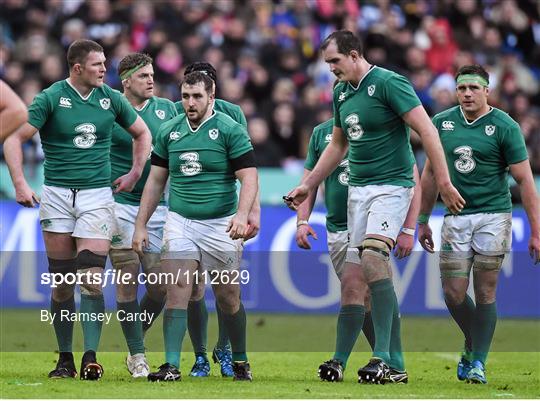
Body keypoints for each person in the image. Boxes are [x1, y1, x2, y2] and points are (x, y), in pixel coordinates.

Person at [285, 30, 464, 384]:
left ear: (354, 55)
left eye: (335, 61)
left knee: (372, 258)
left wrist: (443, 182)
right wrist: (308, 185)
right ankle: (395, 365)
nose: (331, 69)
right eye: (327, 64)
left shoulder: (388, 83)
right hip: (358, 192)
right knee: (354, 280)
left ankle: (381, 355)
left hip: (392, 187)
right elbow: (337, 146)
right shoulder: (340, 93)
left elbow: (427, 131)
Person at [3, 39, 152, 380]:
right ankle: (65, 359)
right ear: (77, 68)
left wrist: (134, 172)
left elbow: (142, 134)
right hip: (56, 196)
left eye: (105, 63)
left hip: (97, 198)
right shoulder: (51, 98)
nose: (105, 69)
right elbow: (13, 139)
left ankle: (90, 357)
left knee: (92, 281)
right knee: (63, 284)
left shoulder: (110, 98)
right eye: (98, 64)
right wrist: (21, 184)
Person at [417, 64, 540, 384]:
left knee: (486, 290)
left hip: (493, 216)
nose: (467, 94)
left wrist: (536, 231)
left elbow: (525, 180)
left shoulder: (504, 126)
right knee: (453, 293)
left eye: (474, 88)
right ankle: (475, 341)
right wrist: (422, 219)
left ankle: (477, 363)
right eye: (462, 88)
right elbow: (429, 175)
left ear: (488, 91)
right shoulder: (441, 124)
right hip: (456, 218)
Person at [133, 71, 258, 382]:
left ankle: (240, 359)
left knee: (228, 296)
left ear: (211, 97)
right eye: (185, 96)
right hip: (181, 222)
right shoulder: (169, 131)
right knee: (178, 290)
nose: (190, 103)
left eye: (197, 96)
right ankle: (172, 365)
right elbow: (156, 181)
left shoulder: (230, 129)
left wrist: (242, 215)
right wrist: (141, 224)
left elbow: (249, 177)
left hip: (220, 224)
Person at [297, 118, 421, 383]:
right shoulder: (321, 134)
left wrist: (409, 229)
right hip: (338, 227)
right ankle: (393, 364)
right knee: (359, 294)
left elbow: (413, 180)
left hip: (373, 220)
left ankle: (351, 359)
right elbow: (310, 180)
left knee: (358, 285)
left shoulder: (383, 127)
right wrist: (302, 221)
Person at [109, 52, 177, 378]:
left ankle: (135, 336)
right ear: (126, 81)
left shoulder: (167, 109)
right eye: (143, 76)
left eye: (152, 74)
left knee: (160, 287)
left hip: (158, 208)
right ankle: (137, 355)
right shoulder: (109, 110)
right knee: (127, 280)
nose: (151, 80)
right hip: (118, 205)